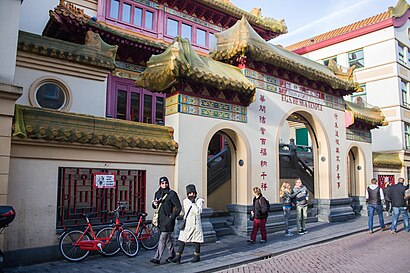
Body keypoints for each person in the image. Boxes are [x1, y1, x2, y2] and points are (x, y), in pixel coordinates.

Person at [150, 176, 182, 265]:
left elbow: (178, 207)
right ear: (160, 184)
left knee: (162, 238)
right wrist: (154, 203)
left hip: (168, 220)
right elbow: (154, 207)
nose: (164, 185)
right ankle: (172, 255)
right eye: (162, 183)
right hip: (160, 220)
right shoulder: (157, 193)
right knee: (167, 239)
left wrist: (172, 217)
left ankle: (157, 258)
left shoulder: (172, 194)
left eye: (166, 183)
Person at [172, 184, 204, 264]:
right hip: (187, 223)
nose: (191, 194)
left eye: (193, 193)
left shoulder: (199, 201)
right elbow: (184, 211)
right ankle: (178, 256)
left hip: (196, 224)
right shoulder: (185, 201)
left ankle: (197, 256)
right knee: (182, 239)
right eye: (189, 193)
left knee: (196, 239)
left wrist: (193, 203)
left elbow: (198, 212)